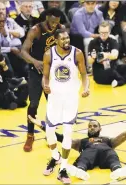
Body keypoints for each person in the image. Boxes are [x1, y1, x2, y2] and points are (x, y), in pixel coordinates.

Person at [27, 111, 126, 181]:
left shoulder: (108, 140)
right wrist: (42, 126)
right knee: (85, 155)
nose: (92, 127)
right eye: (90, 126)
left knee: (111, 154)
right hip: (89, 155)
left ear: (100, 129)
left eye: (95, 126)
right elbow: (61, 138)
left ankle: (117, 170)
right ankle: (80, 171)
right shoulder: (82, 142)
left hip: (106, 155)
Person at [42, 28, 90, 184]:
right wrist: (45, 85)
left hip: (70, 98)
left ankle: (63, 169)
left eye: (67, 38)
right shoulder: (49, 54)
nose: (66, 41)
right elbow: (45, 76)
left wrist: (86, 88)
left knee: (68, 133)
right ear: (56, 40)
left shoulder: (77, 53)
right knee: (50, 132)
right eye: (63, 39)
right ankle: (55, 156)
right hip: (54, 98)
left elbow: (84, 74)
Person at [20, 8, 63, 152]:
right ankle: (30, 134)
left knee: (53, 104)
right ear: (46, 18)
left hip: (51, 72)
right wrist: (34, 61)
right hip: (36, 71)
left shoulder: (60, 28)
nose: (54, 25)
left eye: (57, 23)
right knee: (33, 103)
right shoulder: (36, 30)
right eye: (52, 22)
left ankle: (50, 133)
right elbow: (23, 51)